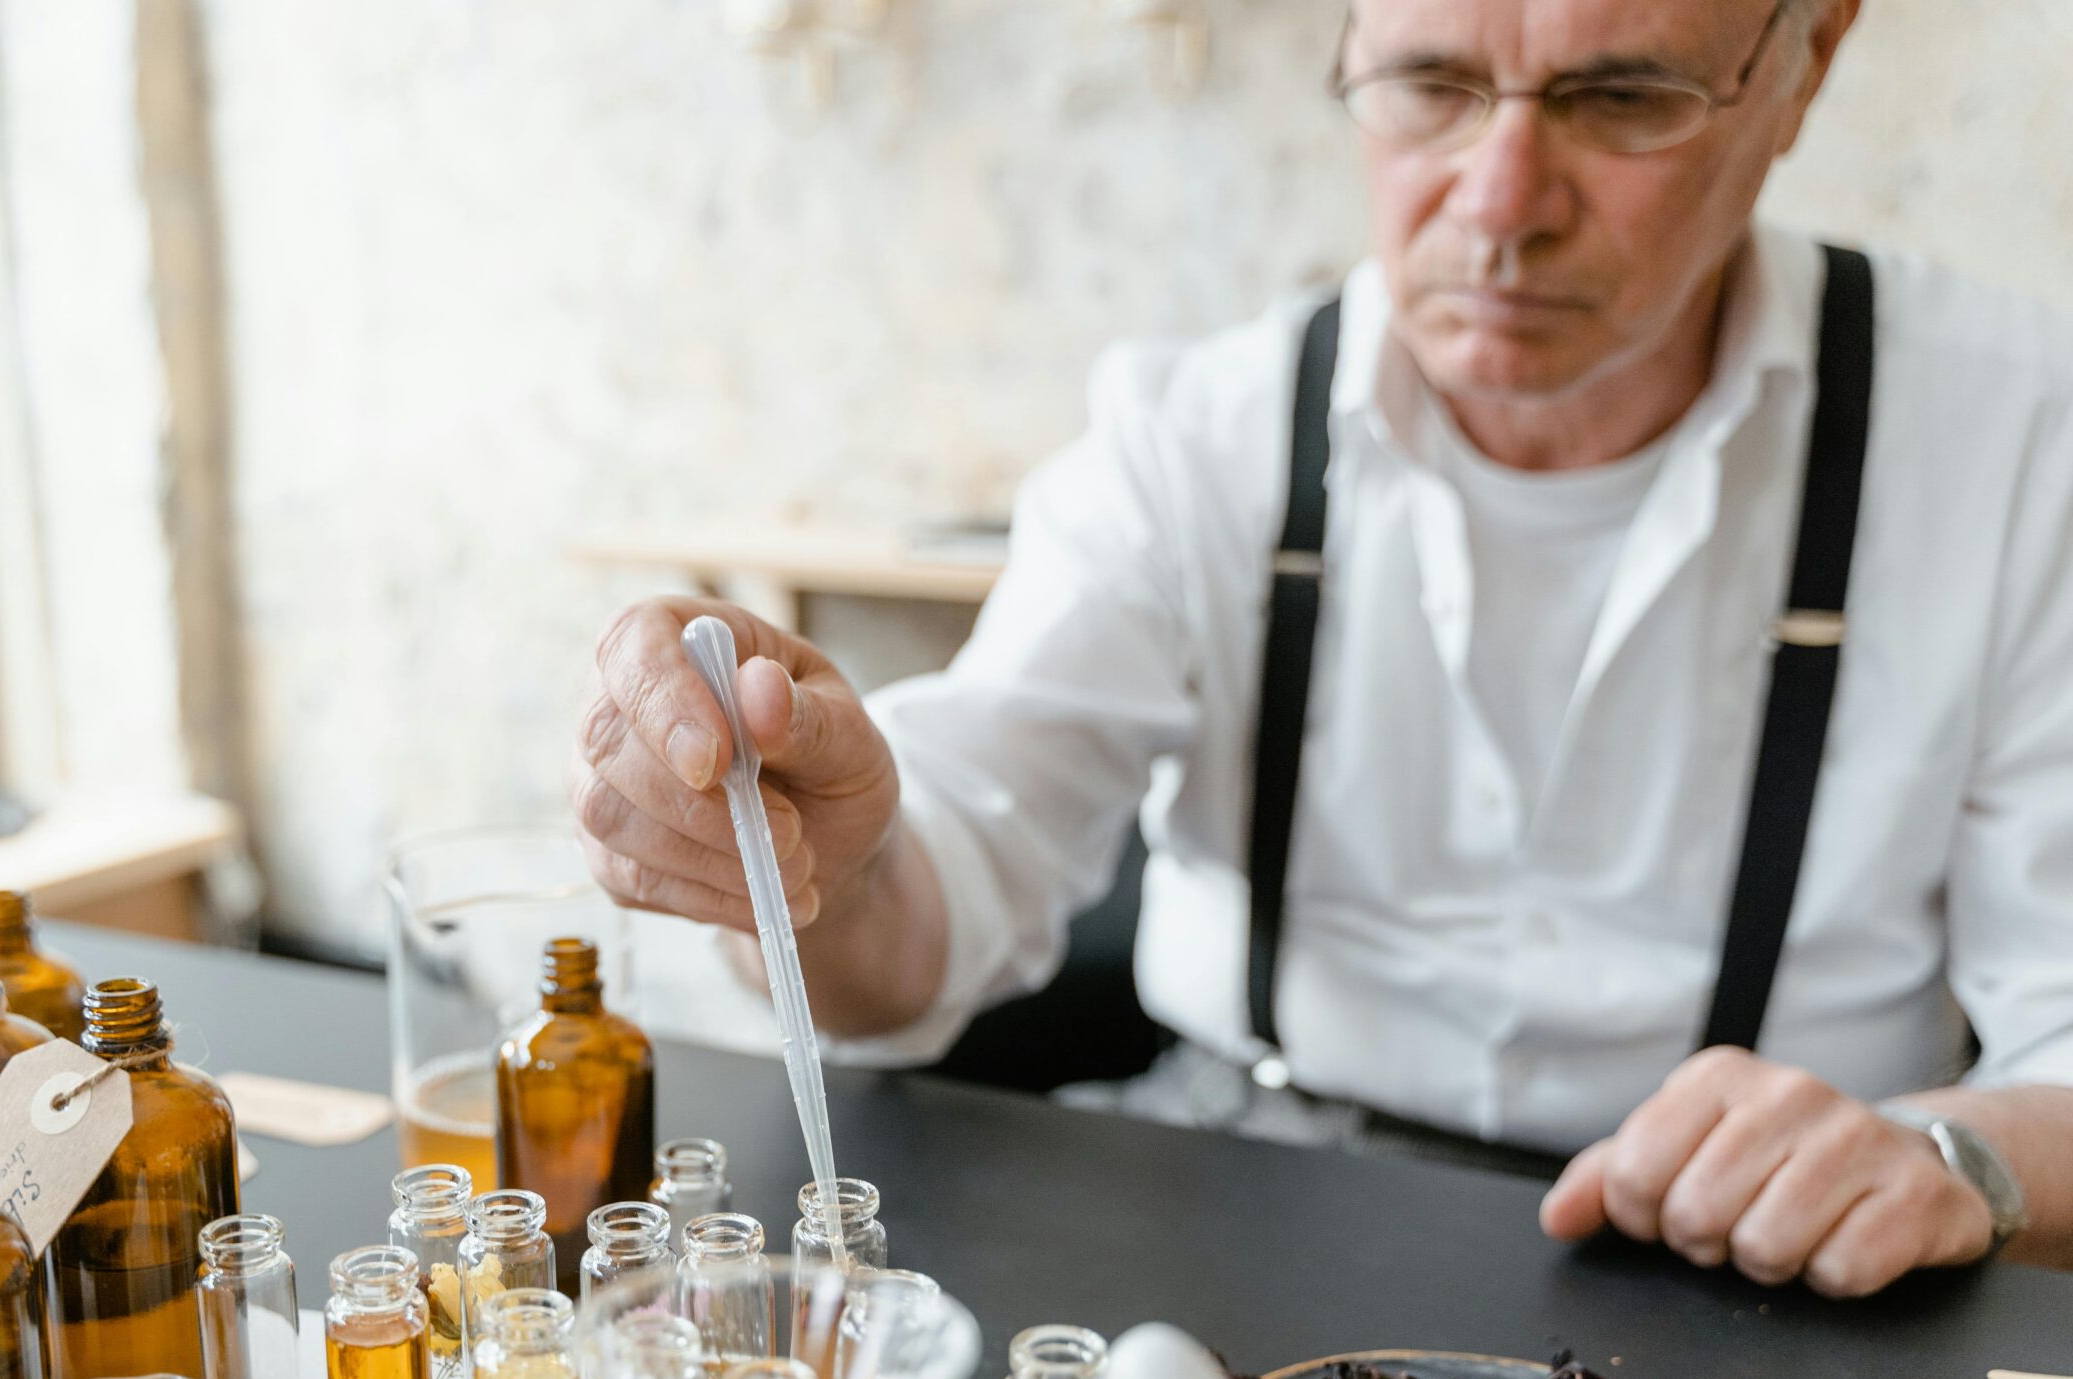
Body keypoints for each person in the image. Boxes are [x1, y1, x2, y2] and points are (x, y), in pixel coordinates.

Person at [570, 0, 2073, 1298]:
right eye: (1429, 84)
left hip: (1769, 1282)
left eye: (1624, 97)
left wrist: (1961, 1162)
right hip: (1245, 1202)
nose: (1501, 201)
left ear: (1806, 58)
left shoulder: (2012, 444)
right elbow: (931, 908)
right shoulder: (1200, 434)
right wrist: (812, 850)